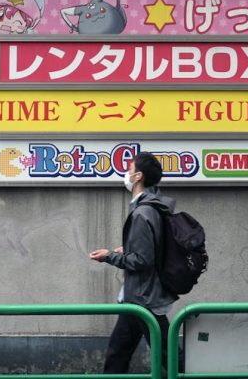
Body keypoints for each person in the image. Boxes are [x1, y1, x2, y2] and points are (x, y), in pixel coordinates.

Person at [90, 152, 178, 373]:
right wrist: (126, 249)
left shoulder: (142, 213)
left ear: (138, 176)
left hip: (143, 298)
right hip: (138, 296)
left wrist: (109, 256)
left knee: (169, 358)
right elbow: (150, 249)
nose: (126, 174)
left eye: (129, 170)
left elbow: (142, 260)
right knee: (119, 355)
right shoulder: (154, 207)